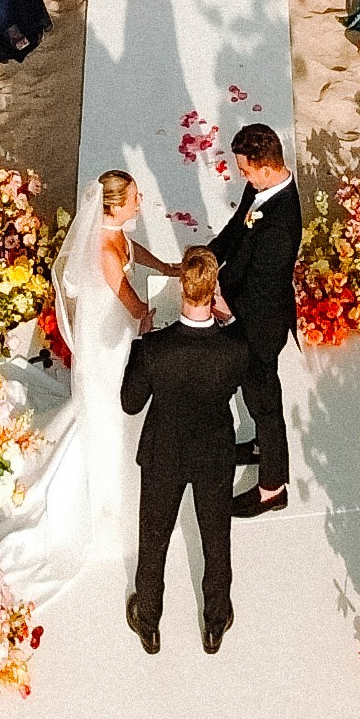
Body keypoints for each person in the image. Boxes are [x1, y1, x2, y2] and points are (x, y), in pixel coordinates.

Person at [0, 171, 173, 601]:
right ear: (113, 206)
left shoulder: (114, 235)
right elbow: (131, 302)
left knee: (116, 404)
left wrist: (163, 267)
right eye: (134, 197)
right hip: (106, 340)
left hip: (110, 329)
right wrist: (153, 320)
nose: (139, 201)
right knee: (108, 410)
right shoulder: (105, 250)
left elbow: (133, 251)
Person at [121, 247, 243, 657]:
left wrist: (140, 342)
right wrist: (232, 320)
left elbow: (131, 402)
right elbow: (247, 364)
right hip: (214, 454)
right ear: (214, 291)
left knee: (153, 539)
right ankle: (214, 622)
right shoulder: (234, 347)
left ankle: (149, 622)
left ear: (180, 288)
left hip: (164, 453)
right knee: (216, 539)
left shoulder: (155, 348)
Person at [213, 124, 301, 516]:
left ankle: (272, 487)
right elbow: (237, 228)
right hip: (249, 306)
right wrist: (208, 257)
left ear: (265, 169)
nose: (242, 177)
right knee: (255, 396)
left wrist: (222, 306)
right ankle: (262, 446)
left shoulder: (283, 221)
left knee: (265, 401)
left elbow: (262, 287)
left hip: (260, 324)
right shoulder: (261, 189)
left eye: (246, 171)